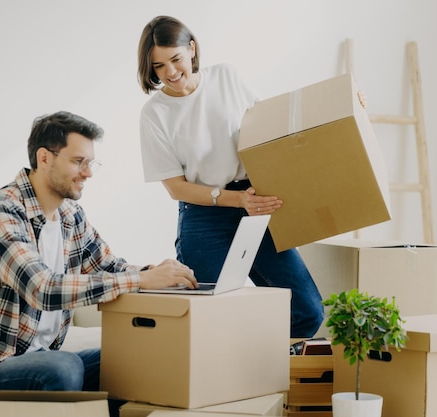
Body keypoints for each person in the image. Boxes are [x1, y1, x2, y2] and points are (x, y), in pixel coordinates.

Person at [0, 111, 196, 400]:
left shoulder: (70, 215)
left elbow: (110, 267)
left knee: (138, 360)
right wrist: (141, 280)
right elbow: (43, 289)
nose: (88, 173)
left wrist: (159, 273)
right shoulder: (0, 211)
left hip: (45, 360)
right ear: (44, 158)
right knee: (63, 368)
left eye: (90, 163)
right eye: (79, 162)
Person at [136, 16, 324, 338]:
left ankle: (260, 360)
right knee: (211, 317)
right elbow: (176, 187)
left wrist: (345, 108)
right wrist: (237, 200)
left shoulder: (225, 77)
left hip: (255, 202)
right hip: (204, 215)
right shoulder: (155, 114)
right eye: (158, 66)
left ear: (192, 49)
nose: (169, 72)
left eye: (175, 59)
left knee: (306, 310)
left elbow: (272, 124)